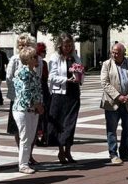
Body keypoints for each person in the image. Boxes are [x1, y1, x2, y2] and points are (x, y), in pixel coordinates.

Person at [100, 42, 128, 164]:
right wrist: (118, 96)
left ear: (123, 53)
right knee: (112, 129)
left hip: (127, 102)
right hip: (112, 102)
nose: (115, 55)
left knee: (127, 129)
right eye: (113, 52)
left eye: (117, 53)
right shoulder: (107, 64)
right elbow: (105, 83)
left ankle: (124, 152)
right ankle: (113, 154)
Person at [48, 32, 82, 164]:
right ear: (60, 46)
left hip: (73, 93)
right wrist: (66, 79)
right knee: (60, 123)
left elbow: (80, 71)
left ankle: (68, 150)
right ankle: (61, 150)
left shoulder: (75, 57)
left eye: (69, 45)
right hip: (60, 94)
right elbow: (52, 76)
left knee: (70, 123)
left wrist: (79, 77)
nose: (68, 48)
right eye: (65, 45)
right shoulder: (55, 57)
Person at [12, 46, 44, 174]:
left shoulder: (33, 72)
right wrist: (37, 104)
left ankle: (25, 162)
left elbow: (37, 91)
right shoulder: (23, 72)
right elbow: (25, 92)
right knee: (25, 137)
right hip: (23, 109)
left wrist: (40, 105)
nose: (37, 59)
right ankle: (23, 164)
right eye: (35, 57)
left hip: (32, 110)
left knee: (30, 138)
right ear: (29, 59)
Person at [5, 34, 36, 162]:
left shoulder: (34, 59)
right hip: (18, 99)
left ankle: (29, 154)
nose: (24, 47)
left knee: (32, 129)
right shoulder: (15, 59)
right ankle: (22, 154)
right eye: (22, 45)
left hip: (33, 101)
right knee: (20, 129)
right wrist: (17, 94)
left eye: (27, 45)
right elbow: (9, 78)